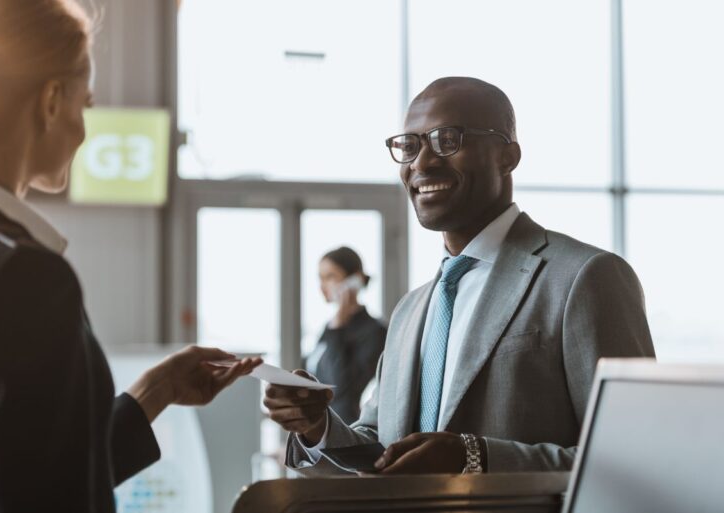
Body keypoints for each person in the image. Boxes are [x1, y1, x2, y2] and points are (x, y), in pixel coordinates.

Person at [264, 77, 655, 475]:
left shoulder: (585, 277)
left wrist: (475, 458)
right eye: (409, 146)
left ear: (507, 156)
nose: (422, 162)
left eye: (446, 140)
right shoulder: (410, 311)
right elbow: (380, 451)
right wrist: (317, 427)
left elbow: (636, 458)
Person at [0, 1, 261, 511]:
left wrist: (156, 390)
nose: (84, 128)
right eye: (87, 104)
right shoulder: (25, 276)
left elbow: (20, 469)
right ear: (51, 101)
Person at [304, 246, 387, 424]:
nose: (322, 286)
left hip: (345, 428)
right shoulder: (331, 326)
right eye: (320, 278)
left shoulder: (374, 331)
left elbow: (341, 389)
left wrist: (339, 325)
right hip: (317, 426)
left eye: (330, 277)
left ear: (354, 280)